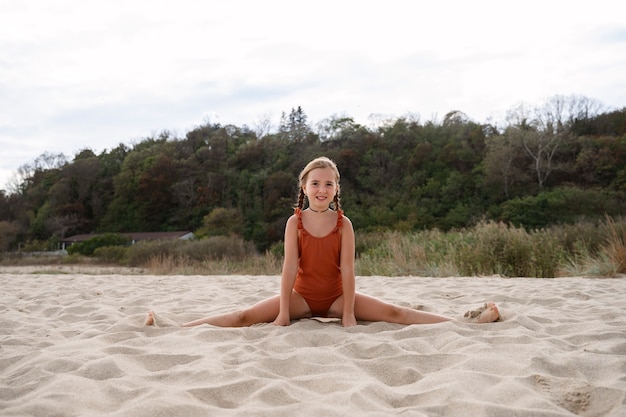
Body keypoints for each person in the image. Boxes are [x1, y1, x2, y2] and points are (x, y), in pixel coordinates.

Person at [146, 156, 500, 328]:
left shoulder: (344, 224)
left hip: (335, 298)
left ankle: (468, 323)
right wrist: (284, 311)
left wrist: (347, 313)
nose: (321, 190)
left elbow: (348, 269)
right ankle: (175, 327)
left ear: (336, 189)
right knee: (244, 316)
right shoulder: (293, 222)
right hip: (301, 298)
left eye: (329, 184)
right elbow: (288, 268)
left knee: (396, 313)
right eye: (315, 183)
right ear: (304, 187)